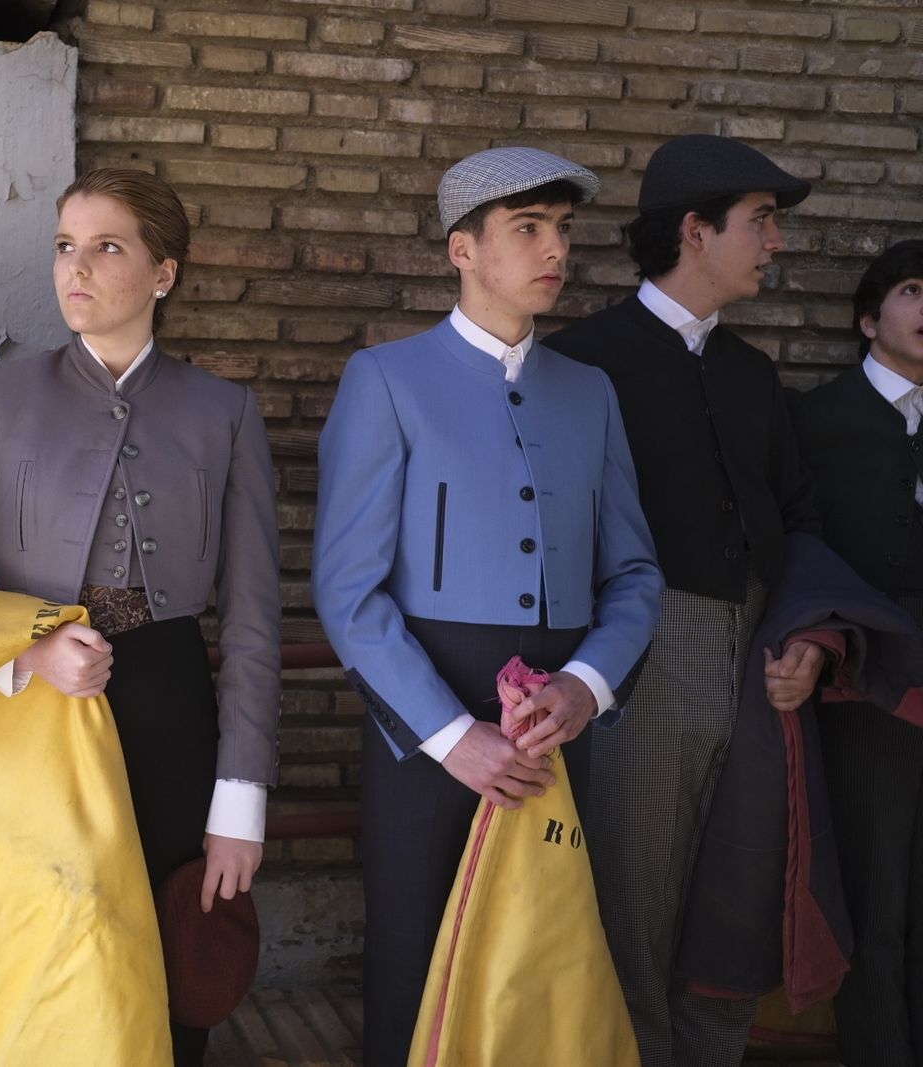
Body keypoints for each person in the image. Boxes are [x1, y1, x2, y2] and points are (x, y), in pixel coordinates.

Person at [0, 166, 282, 1066]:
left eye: (107, 247)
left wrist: (242, 800)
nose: (78, 268)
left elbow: (255, 621)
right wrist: (23, 661)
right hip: (29, 720)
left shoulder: (225, 412)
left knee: (175, 957)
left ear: (164, 273)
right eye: (66, 246)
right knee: (48, 959)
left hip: (176, 705)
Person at [312, 146, 662, 1066]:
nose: (556, 250)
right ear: (462, 250)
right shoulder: (384, 378)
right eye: (528, 229)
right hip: (426, 722)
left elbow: (634, 575)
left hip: (559, 723)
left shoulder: (592, 393)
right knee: (418, 962)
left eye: (564, 230)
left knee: (549, 960)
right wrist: (449, 734)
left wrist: (585, 687)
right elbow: (347, 590)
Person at [545, 134, 824, 1067]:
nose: (776, 242)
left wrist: (807, 640)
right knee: (635, 895)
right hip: (639, 660)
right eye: (763, 221)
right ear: (696, 232)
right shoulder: (585, 362)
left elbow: (797, 518)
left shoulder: (751, 375)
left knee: (738, 893)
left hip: (757, 659)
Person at [790, 239, 923, 1066]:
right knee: (876, 911)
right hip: (869, 694)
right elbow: (801, 551)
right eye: (915, 289)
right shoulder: (816, 422)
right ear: (868, 318)